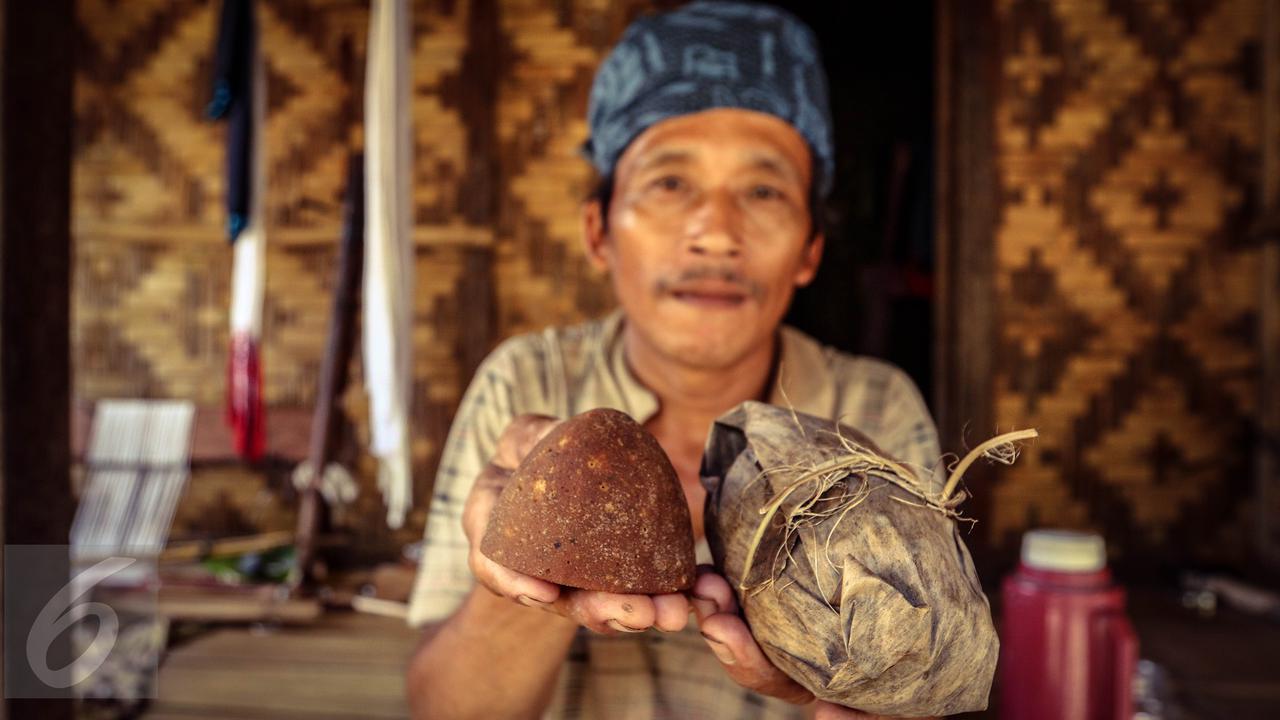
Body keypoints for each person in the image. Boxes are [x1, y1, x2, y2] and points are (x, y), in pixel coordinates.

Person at [404, 3, 943, 718]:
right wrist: (521, 568)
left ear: (811, 247)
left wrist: (856, 692)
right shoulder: (527, 387)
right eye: (669, 183)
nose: (716, 233)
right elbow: (442, 709)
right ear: (599, 231)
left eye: (763, 190)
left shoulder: (873, 415)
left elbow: (927, 687)